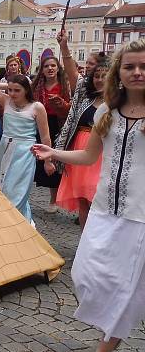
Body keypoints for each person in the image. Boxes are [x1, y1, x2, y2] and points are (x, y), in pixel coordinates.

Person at [32, 39, 145, 352]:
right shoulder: (105, 112)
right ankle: (109, 324)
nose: (138, 72)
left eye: (143, 66)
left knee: (127, 286)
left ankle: (105, 350)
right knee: (85, 274)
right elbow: (89, 156)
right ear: (118, 74)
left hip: (139, 216)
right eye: (130, 67)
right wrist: (53, 154)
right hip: (102, 208)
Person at [0, 76, 50, 224]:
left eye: (17, 90)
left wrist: (48, 161)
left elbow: (45, 137)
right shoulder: (6, 100)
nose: (12, 93)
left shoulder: (37, 107)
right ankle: (22, 222)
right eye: (10, 90)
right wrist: (8, 86)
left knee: (18, 190)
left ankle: (13, 223)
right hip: (6, 148)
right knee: (6, 187)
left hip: (25, 151)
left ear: (27, 90)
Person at [54, 57, 109, 227]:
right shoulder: (85, 100)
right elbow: (73, 75)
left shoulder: (116, 104)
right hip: (80, 151)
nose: (99, 80)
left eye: (104, 76)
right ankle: (84, 241)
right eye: (96, 76)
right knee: (83, 200)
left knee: (98, 199)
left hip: (101, 154)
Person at [31, 55, 72, 212]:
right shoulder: (36, 86)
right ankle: (52, 198)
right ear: (42, 69)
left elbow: (71, 108)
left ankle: (55, 199)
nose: (50, 68)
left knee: (56, 161)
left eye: (53, 66)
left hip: (60, 125)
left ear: (58, 68)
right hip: (41, 124)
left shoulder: (65, 86)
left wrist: (61, 104)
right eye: (47, 66)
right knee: (43, 160)